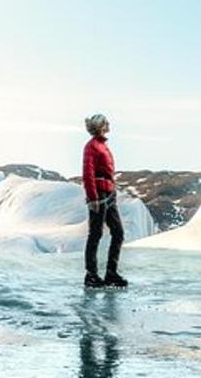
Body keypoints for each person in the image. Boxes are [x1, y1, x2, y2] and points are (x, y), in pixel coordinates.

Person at [81, 113, 127, 288]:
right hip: (99, 196)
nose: (109, 124)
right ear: (100, 126)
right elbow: (88, 174)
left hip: (109, 195)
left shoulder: (100, 145)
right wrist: (93, 198)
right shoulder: (92, 147)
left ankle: (111, 273)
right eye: (106, 122)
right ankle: (91, 275)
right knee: (95, 234)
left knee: (118, 232)